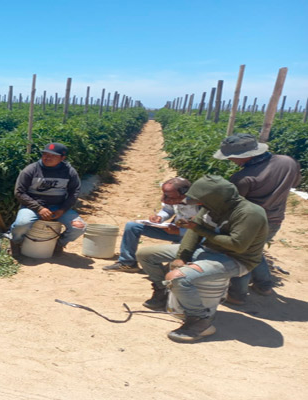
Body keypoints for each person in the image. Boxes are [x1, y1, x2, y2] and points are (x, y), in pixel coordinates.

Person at [135, 176, 268, 342]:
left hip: (236, 259)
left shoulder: (249, 214)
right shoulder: (211, 206)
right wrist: (182, 257)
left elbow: (237, 245)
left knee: (178, 278)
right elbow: (193, 232)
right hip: (208, 250)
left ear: (214, 197)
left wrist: (199, 230)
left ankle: (200, 320)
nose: (194, 202)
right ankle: (162, 292)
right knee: (146, 254)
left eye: (199, 199)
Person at [213, 133, 302, 304]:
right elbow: (295, 183)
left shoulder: (243, 178)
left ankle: (237, 295)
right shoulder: (288, 162)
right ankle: (264, 285)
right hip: (275, 219)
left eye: (231, 157)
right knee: (255, 251)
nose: (231, 160)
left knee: (241, 255)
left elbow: (234, 206)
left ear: (244, 157)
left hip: (250, 223)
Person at [103, 177, 199, 273]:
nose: (166, 199)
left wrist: (179, 231)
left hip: (192, 237)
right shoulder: (172, 197)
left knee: (173, 270)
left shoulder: (199, 203)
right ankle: (127, 263)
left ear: (183, 194)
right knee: (132, 226)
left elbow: (203, 230)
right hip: (173, 230)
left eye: (170, 197)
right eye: (165, 195)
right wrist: (160, 217)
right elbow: (168, 210)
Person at [8, 142, 86, 257]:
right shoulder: (31, 169)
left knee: (79, 227)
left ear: (62, 158)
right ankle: (15, 242)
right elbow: (19, 192)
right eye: (45, 154)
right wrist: (39, 208)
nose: (47, 157)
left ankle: (58, 244)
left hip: (58, 207)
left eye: (53, 155)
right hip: (32, 207)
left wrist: (63, 209)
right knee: (21, 224)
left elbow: (74, 192)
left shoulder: (69, 171)